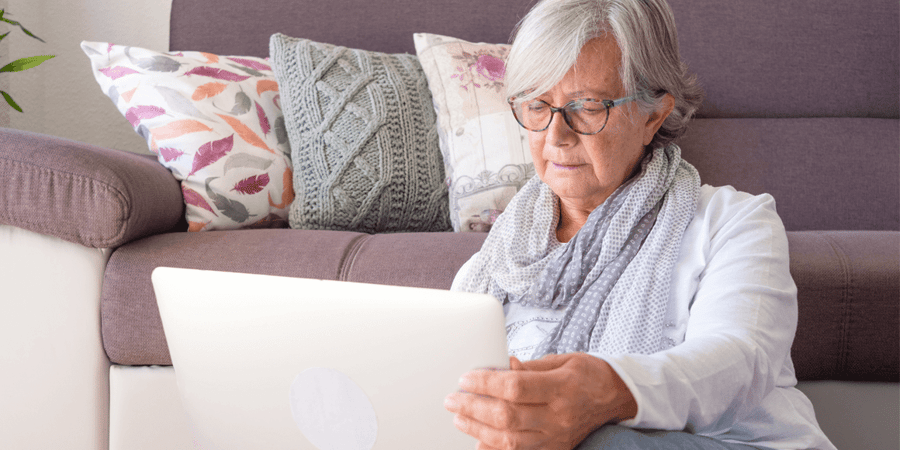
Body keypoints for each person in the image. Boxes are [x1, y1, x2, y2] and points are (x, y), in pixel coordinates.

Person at [444, 0, 837, 449]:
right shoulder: (494, 261)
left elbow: (737, 362)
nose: (556, 136)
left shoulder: (734, 222)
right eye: (537, 106)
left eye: (587, 106)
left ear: (653, 115)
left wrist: (610, 389)